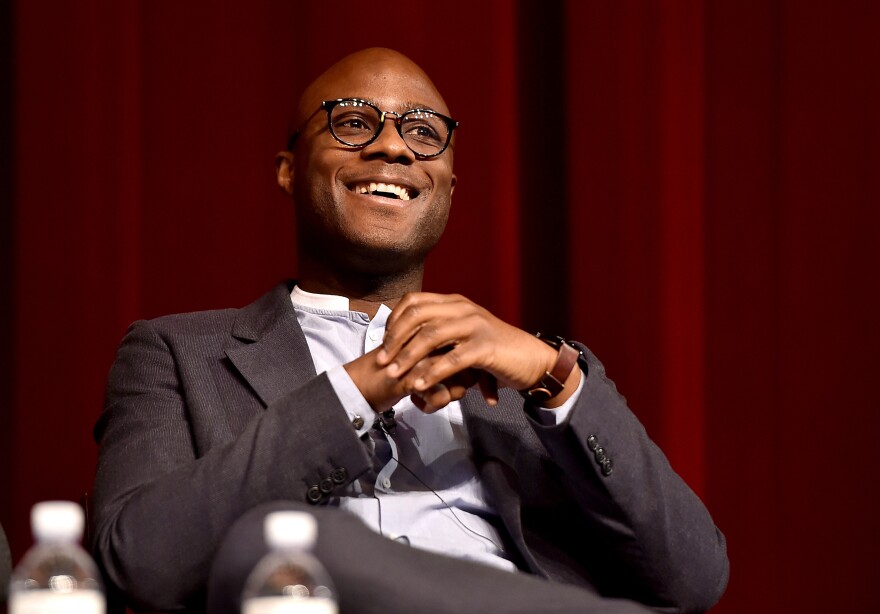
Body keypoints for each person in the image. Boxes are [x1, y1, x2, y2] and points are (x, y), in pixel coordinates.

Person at [91, 48, 728, 614]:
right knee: (283, 544)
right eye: (352, 122)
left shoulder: (532, 373)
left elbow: (695, 579)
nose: (394, 147)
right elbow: (137, 563)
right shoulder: (178, 354)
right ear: (288, 169)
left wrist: (550, 375)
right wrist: (362, 388)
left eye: (424, 133)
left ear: (449, 185)